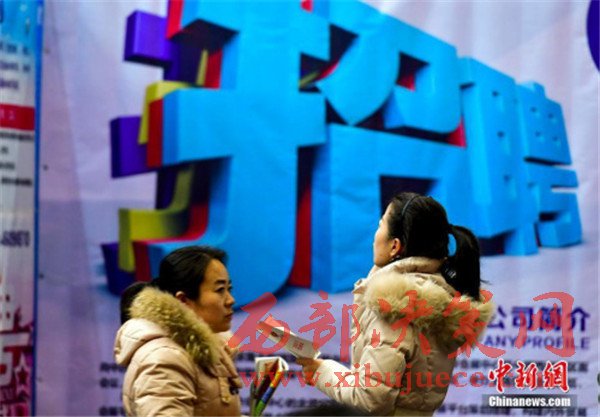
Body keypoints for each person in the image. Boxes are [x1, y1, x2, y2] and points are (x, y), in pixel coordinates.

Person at [297, 192, 494, 416]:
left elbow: (371, 400)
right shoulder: (440, 298)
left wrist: (323, 372)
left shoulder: (394, 305)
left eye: (380, 225)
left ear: (395, 246)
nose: (374, 237)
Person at [114, 246, 242, 416]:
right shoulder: (165, 360)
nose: (231, 300)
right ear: (183, 300)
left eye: (229, 289)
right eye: (220, 290)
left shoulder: (198, 352)